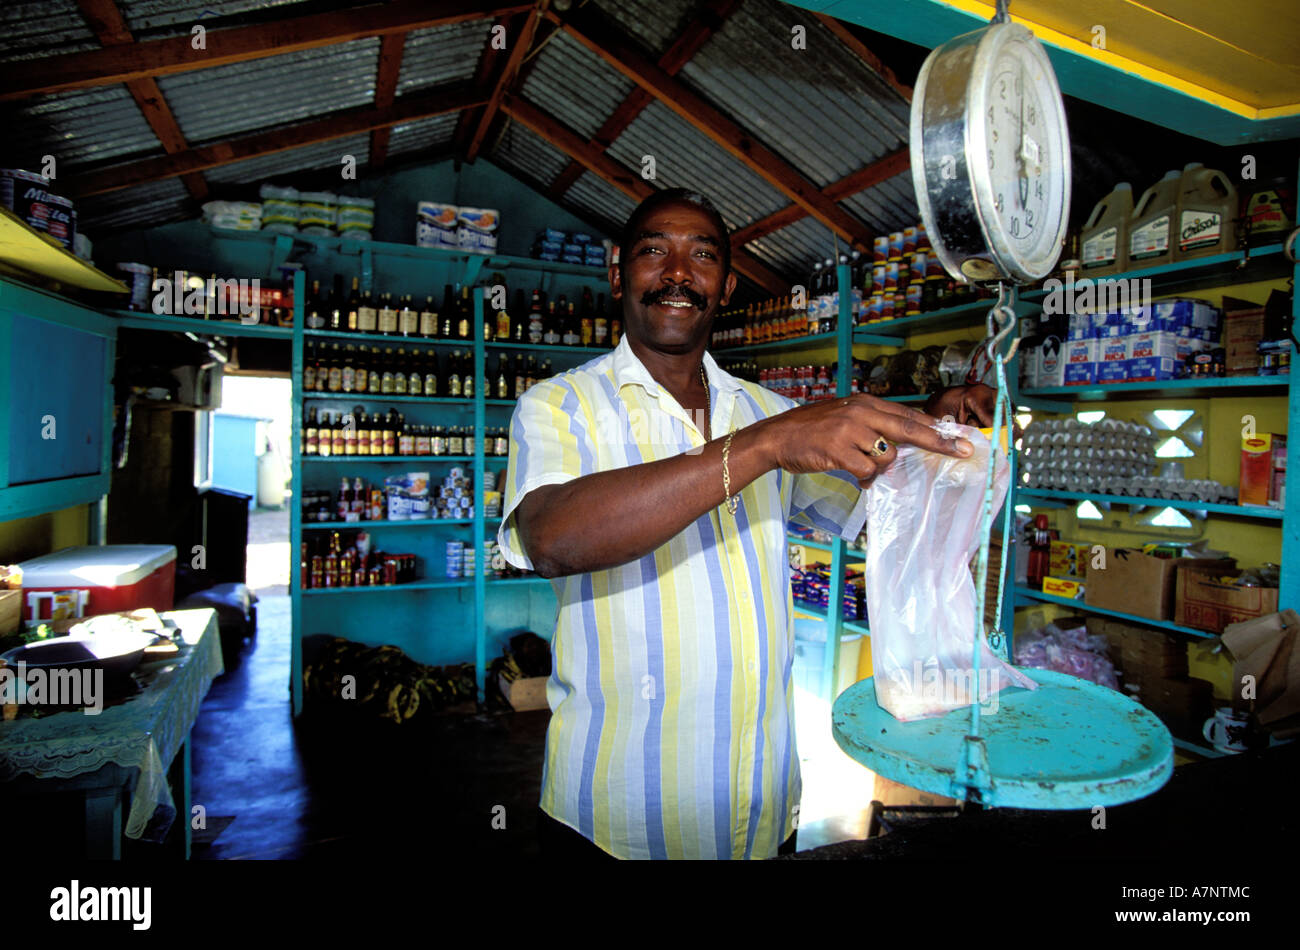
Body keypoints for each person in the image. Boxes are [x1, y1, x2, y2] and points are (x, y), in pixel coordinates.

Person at [499, 188, 997, 860]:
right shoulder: (560, 406)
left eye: (701, 256)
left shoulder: (766, 409)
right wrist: (759, 446)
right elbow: (552, 537)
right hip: (616, 819)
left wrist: (931, 439)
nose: (678, 272)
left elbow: (881, 514)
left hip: (761, 808)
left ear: (726, 286)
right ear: (618, 272)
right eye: (654, 251)